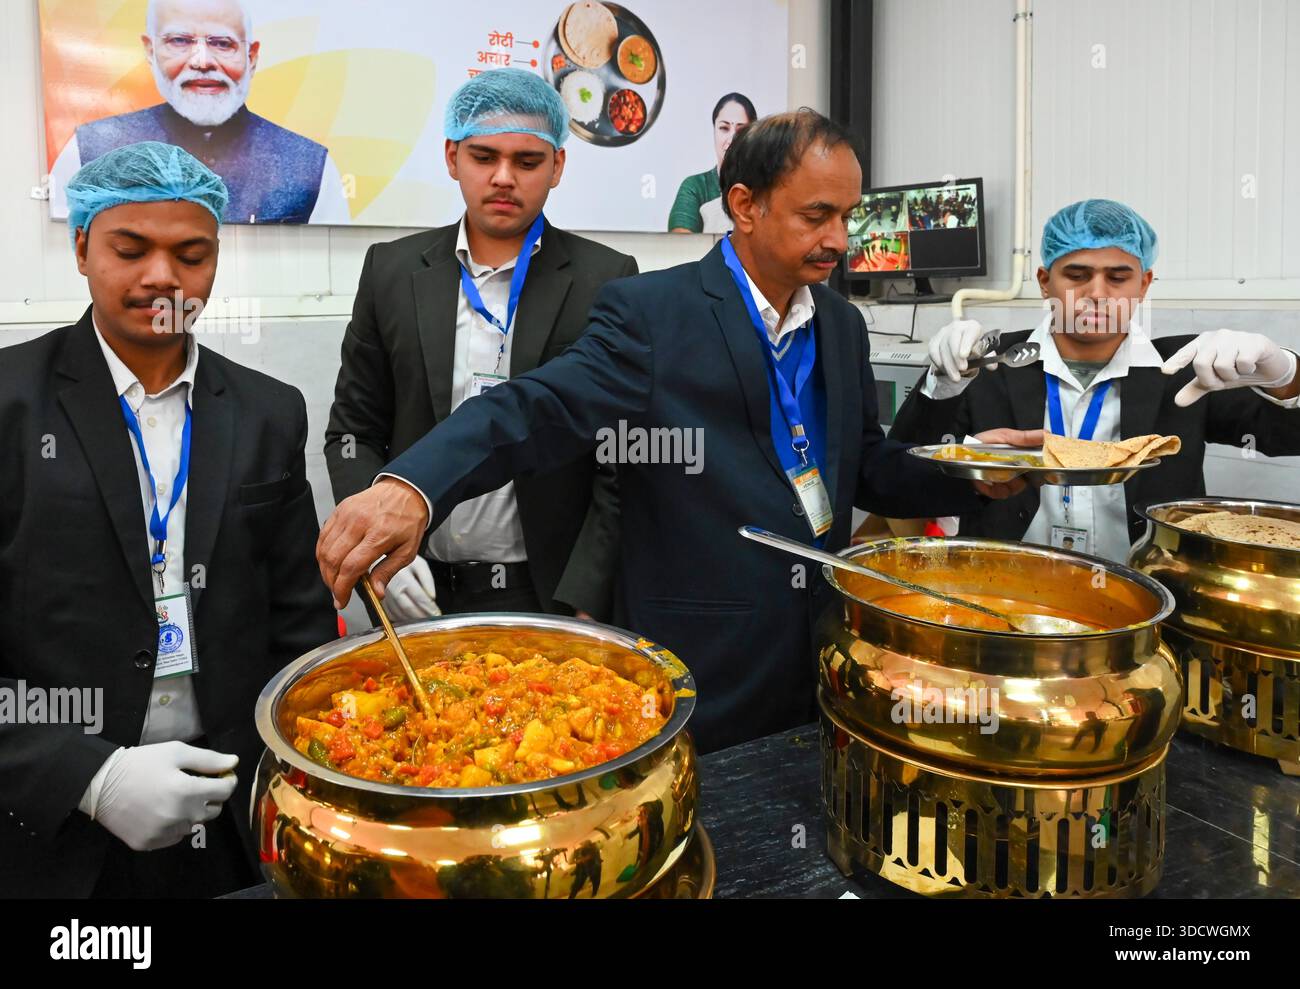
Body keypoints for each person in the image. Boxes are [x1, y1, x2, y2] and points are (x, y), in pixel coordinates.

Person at [316, 110, 1029, 754]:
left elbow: (866, 466)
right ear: (744, 206)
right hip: (700, 667)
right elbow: (534, 407)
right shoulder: (653, 314)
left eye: (847, 215)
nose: (838, 239)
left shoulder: (838, 324)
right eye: (817, 215)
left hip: (815, 653)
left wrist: (966, 467)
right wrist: (414, 486)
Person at [0, 142, 337, 897]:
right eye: (131, 248)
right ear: (82, 246)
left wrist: (296, 786)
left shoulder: (266, 411)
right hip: (48, 828)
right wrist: (90, 776)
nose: (162, 276)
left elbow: (300, 627)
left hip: (232, 815)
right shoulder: (11, 406)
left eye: (191, 254)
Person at [325, 69, 636, 622]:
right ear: (452, 157)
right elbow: (353, 431)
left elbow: (618, 457)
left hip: (545, 590)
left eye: (527, 161)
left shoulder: (605, 278)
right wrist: (374, 545)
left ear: (558, 166)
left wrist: (588, 592)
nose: (503, 177)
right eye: (483, 156)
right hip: (413, 578)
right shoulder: (391, 271)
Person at [891, 198, 1300, 562]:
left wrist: (1285, 374)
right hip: (1006, 590)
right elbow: (903, 476)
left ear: (1144, 284)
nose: (1097, 293)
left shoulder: (1183, 368)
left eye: (1118, 277)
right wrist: (940, 384)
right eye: (1077, 274)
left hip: (1146, 594)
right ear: (1044, 281)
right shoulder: (990, 362)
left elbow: (1285, 437)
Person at [49, 0, 350, 225]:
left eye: (222, 43)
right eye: (179, 41)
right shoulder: (87, 151)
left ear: (252, 56)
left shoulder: (313, 166)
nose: (202, 61)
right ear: (150, 51)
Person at [668, 92, 757, 234]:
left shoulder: (764, 189)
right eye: (724, 128)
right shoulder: (695, 187)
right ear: (714, 131)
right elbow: (680, 249)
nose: (731, 139)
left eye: (741, 130)